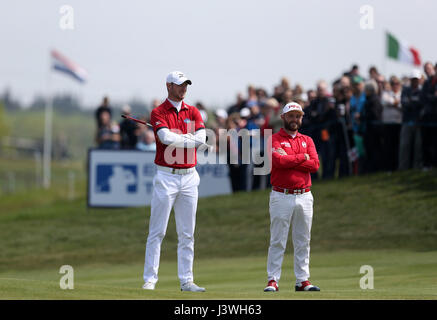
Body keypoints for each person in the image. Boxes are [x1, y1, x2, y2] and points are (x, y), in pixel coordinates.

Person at [142, 71, 206, 292]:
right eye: (180, 85)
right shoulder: (158, 112)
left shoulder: (193, 111)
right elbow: (164, 138)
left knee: (187, 233)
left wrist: (179, 138)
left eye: (186, 84)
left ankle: (187, 280)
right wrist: (188, 138)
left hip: (189, 177)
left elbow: (202, 139)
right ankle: (150, 279)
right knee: (157, 231)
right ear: (169, 86)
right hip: (166, 177)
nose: (184, 88)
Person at [264, 102, 320, 292]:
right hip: (282, 194)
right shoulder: (274, 139)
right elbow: (279, 161)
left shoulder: (308, 140)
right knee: (278, 239)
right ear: (283, 118)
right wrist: (302, 157)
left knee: (303, 239)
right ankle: (273, 279)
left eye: (298, 116)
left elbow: (314, 165)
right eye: (291, 116)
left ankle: (302, 280)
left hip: (304, 195)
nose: (295, 119)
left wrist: (293, 158)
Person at [398, 70, 423, 170]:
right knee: (404, 146)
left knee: (418, 147)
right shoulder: (405, 90)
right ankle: (403, 168)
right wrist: (414, 102)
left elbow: (420, 104)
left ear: (419, 80)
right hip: (407, 121)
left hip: (419, 122)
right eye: (413, 79)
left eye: (416, 79)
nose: (414, 81)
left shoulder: (421, 91)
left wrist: (412, 102)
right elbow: (405, 103)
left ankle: (416, 168)